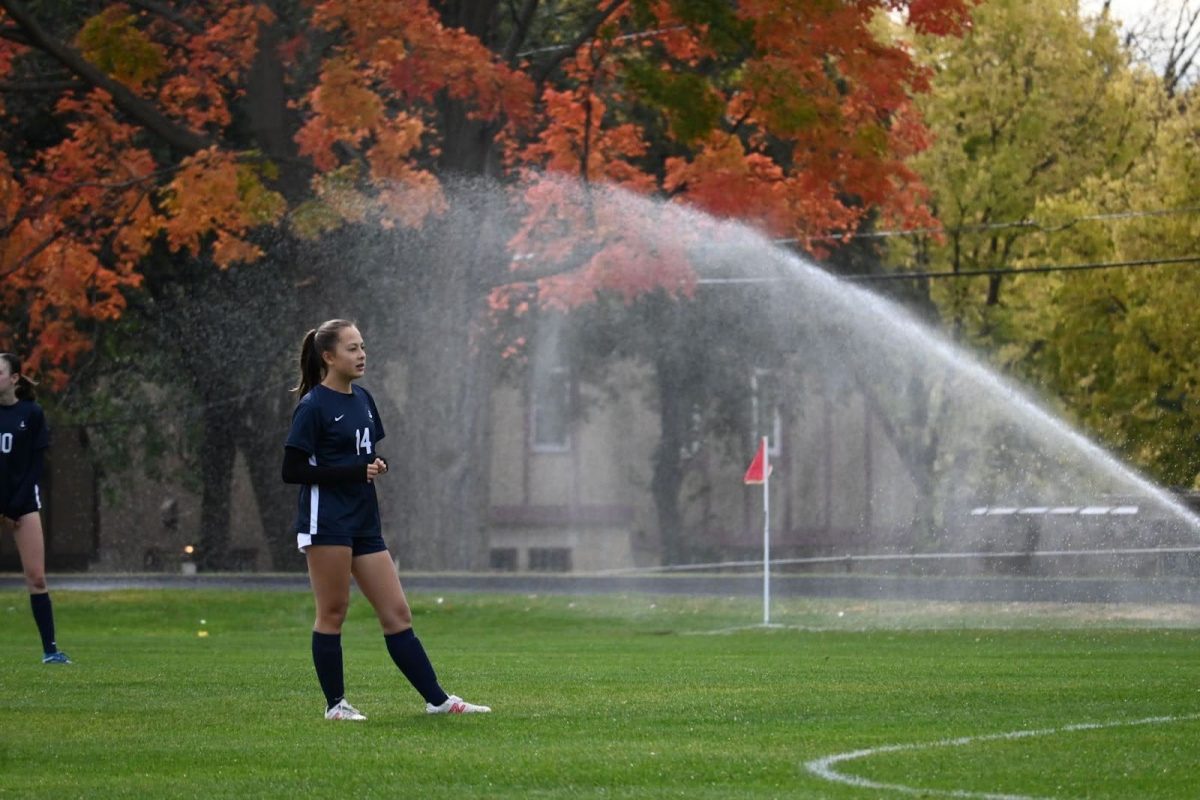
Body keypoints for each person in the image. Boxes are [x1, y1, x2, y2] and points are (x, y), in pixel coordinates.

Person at [282, 319, 490, 720]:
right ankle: (335, 706)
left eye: (362, 347)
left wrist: (376, 464)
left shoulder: (363, 398)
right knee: (333, 612)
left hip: (363, 522)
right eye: (351, 348)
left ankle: (438, 701)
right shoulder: (312, 406)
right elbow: (292, 470)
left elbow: (363, 455)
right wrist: (351, 472)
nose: (361, 355)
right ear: (328, 357)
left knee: (397, 613)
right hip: (326, 521)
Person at [0, 353, 70, 664]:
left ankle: (50, 652)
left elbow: (35, 466)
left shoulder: (32, 413)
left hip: (22, 503)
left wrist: (15, 504)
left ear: (14, 378)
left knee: (37, 578)